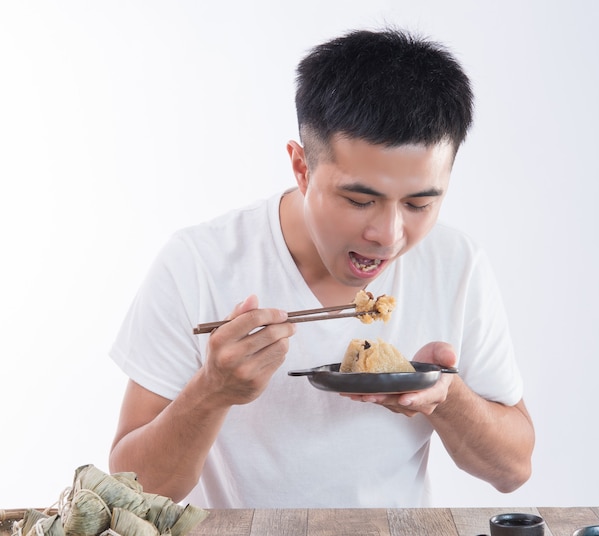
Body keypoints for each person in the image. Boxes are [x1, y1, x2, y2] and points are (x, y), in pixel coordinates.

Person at [108, 28, 535, 508]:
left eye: (418, 204)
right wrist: (211, 391)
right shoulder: (198, 263)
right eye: (359, 200)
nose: (389, 235)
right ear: (301, 168)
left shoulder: (457, 264)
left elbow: (514, 469)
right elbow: (132, 491)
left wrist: (447, 397)